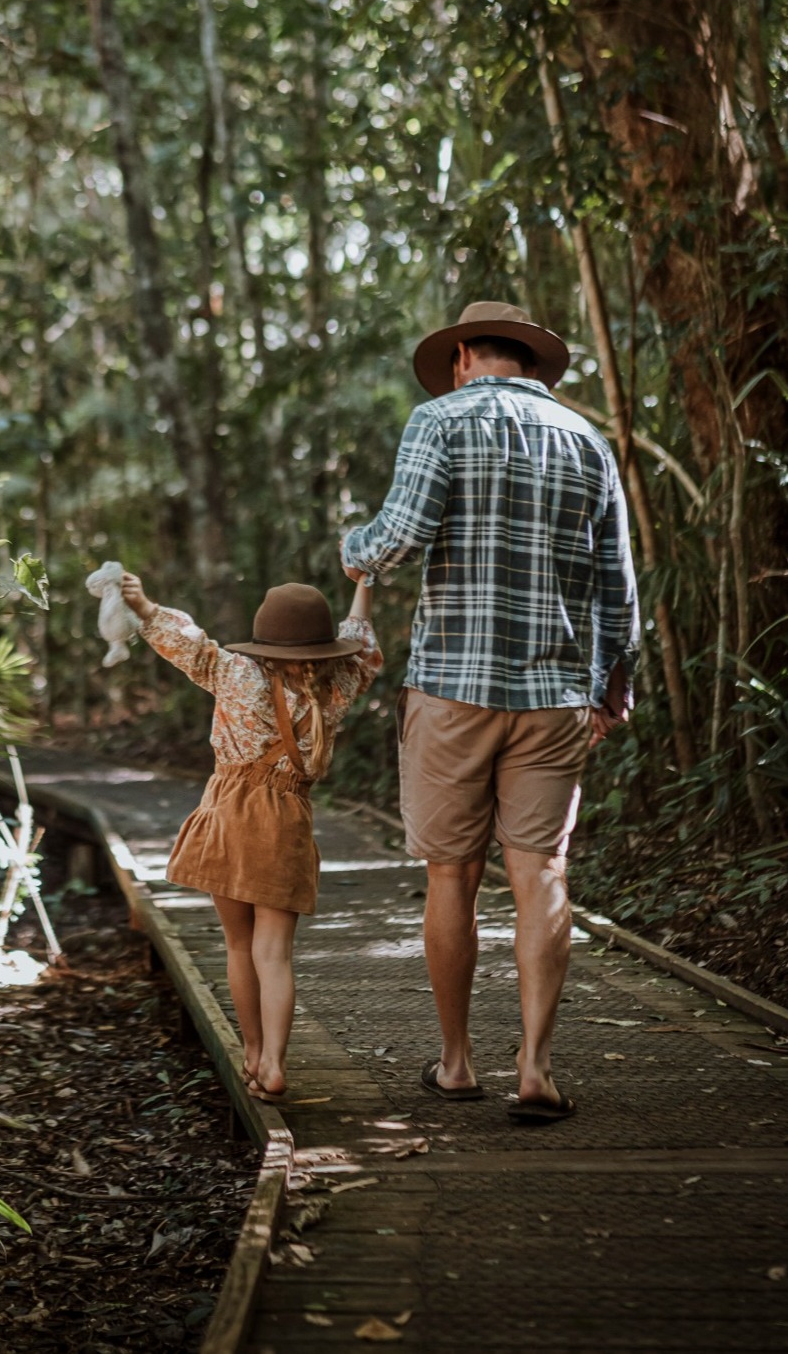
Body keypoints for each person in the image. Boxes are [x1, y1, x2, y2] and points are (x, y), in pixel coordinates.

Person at [340, 300, 639, 1125]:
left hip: (451, 689)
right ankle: (535, 1068)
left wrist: (352, 547)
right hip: (555, 696)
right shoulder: (586, 440)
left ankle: (456, 1061)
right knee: (540, 870)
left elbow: (397, 538)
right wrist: (611, 686)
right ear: (531, 362)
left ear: (463, 354)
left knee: (451, 874)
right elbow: (617, 585)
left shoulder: (437, 420)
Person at [120, 571, 382, 1101]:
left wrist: (144, 605)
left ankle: (255, 1052)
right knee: (274, 954)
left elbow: (190, 646)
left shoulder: (237, 673)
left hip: (229, 814)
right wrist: (365, 581)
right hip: (287, 820)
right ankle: (278, 1064)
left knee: (238, 946)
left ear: (264, 641)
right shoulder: (337, 685)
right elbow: (365, 647)